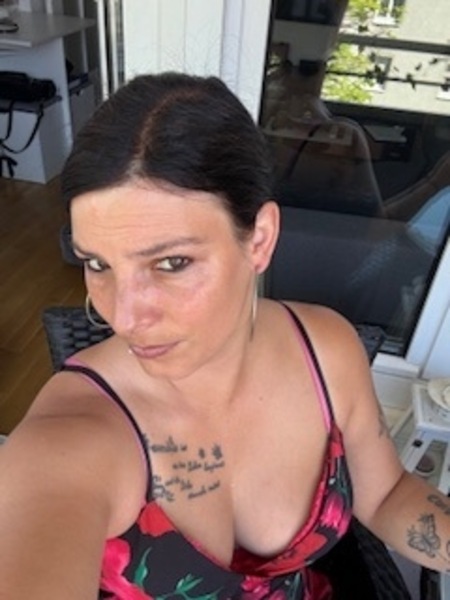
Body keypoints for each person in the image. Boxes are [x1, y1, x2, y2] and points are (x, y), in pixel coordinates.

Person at [1, 71, 450, 600]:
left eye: (171, 262)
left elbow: (386, 494)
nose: (123, 317)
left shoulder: (326, 351)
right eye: (97, 263)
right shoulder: (71, 437)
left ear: (259, 239)